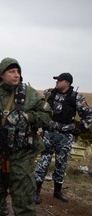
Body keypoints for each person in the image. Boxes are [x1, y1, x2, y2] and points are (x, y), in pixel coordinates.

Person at [0, 57, 52, 215]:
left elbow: (47, 116)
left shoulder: (30, 95)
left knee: (24, 200)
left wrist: (29, 117)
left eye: (18, 71)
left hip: (21, 156)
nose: (16, 75)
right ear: (1, 75)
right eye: (11, 71)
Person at [34, 72, 92, 203]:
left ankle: (57, 192)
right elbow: (37, 108)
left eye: (59, 80)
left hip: (65, 137)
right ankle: (36, 192)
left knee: (62, 163)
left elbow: (88, 115)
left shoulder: (76, 97)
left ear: (67, 83)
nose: (56, 82)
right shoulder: (48, 93)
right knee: (43, 161)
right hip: (48, 133)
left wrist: (80, 129)